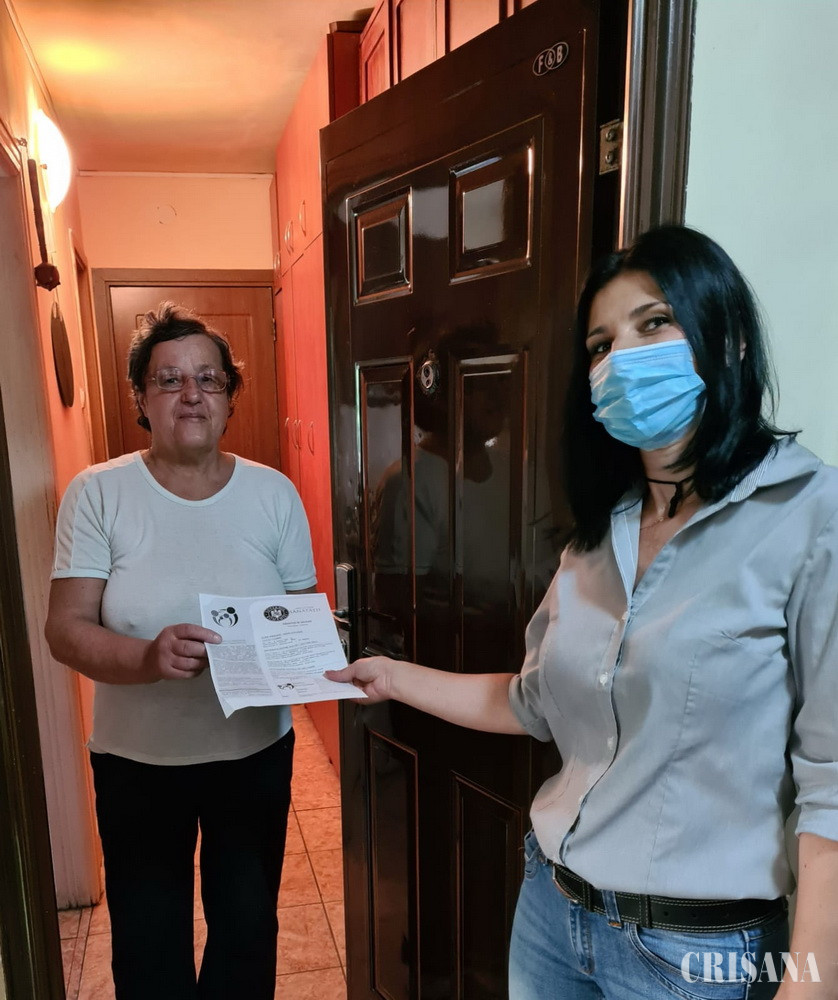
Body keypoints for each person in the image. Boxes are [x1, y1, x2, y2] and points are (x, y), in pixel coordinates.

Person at [327, 225, 838, 999]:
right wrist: (391, 676)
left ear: (730, 339)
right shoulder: (601, 535)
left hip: (697, 954)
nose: (621, 359)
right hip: (552, 914)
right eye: (601, 344)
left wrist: (811, 982)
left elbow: (832, 787)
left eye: (654, 323)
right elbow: (530, 702)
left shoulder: (810, 514)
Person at [45, 303, 317, 1000]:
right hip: (138, 766)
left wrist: (310, 657)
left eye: (208, 379)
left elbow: (301, 619)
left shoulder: (274, 494)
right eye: (169, 379)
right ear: (141, 398)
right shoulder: (98, 494)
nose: (191, 394)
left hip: (253, 757)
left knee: (246, 936)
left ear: (229, 396)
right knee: (148, 945)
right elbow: (65, 629)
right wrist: (147, 659)